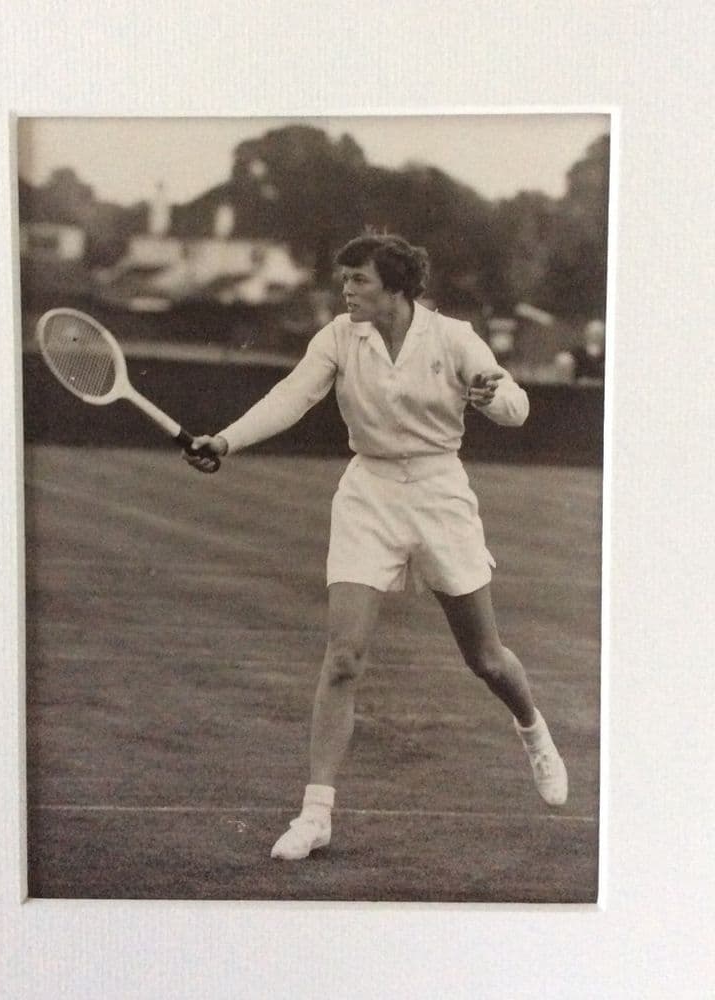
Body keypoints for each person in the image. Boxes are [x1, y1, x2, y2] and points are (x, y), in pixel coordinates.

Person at [184, 234, 568, 861]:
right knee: (343, 657)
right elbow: (291, 397)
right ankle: (316, 815)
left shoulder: (453, 336)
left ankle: (533, 732)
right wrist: (225, 441)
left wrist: (491, 393)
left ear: (395, 288)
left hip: (441, 492)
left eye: (358, 280)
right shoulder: (338, 336)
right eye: (345, 280)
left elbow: (517, 409)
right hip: (369, 493)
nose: (347, 291)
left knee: (488, 659)